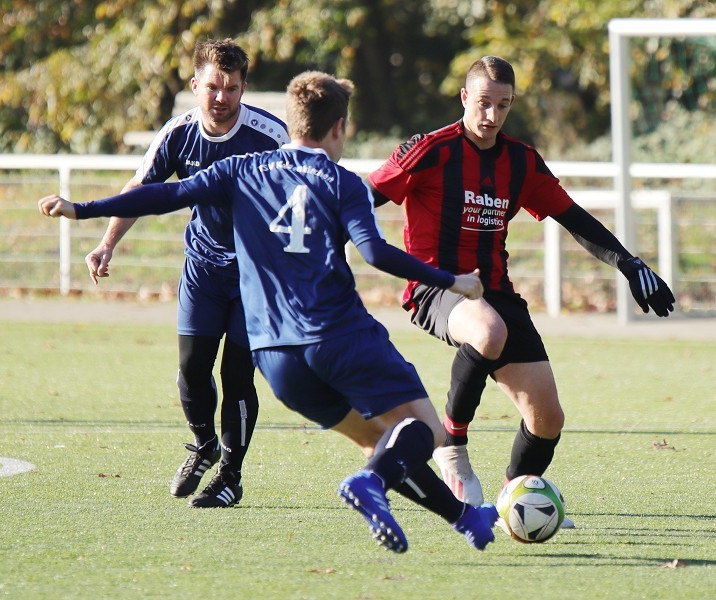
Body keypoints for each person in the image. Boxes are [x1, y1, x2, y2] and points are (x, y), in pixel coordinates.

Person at [39, 71, 499, 553]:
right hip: (337, 335)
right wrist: (455, 281)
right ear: (339, 128)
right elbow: (376, 254)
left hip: (275, 356)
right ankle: (369, 486)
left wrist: (81, 209)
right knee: (424, 432)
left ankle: (466, 519)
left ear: (292, 120)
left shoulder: (243, 169)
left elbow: (165, 195)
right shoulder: (345, 184)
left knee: (378, 444)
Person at [368, 56, 675, 524]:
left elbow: (572, 217)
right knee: (487, 332)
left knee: (547, 419)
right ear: (465, 98)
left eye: (504, 106)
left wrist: (628, 263)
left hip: (497, 291)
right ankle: (451, 446)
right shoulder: (430, 150)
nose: (492, 116)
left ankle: (517, 500)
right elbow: (364, 196)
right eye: (485, 103)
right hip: (438, 287)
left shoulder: (520, 160)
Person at [83, 39, 289, 508]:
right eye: (213, 87)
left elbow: (307, 192)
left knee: (238, 376)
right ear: (196, 86)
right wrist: (106, 242)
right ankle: (203, 445)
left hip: (257, 277)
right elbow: (140, 189)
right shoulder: (178, 133)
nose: (221, 97)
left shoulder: (271, 136)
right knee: (192, 369)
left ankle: (231, 475)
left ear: (244, 89)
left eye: (232, 88)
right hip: (203, 269)